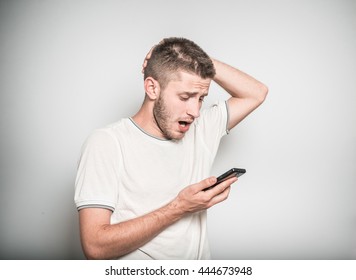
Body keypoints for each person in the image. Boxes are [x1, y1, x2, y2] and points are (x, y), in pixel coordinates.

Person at [74, 37, 268, 260]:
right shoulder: (107, 143)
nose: (195, 111)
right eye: (185, 97)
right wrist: (180, 207)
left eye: (201, 98)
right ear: (152, 88)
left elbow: (256, 92)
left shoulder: (201, 130)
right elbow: (95, 247)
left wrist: (195, 60)